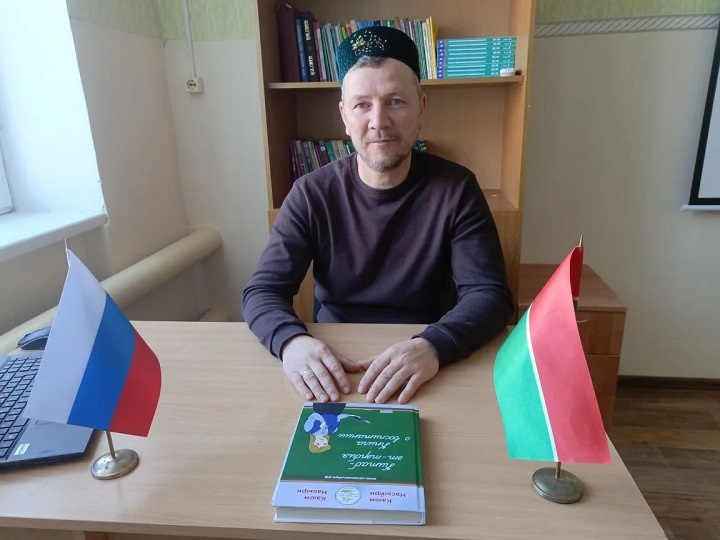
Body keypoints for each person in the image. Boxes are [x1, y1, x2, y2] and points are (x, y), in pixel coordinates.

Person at [242, 26, 513, 405]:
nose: (379, 121)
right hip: (336, 363)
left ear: (421, 108)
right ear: (344, 115)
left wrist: (433, 345)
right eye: (362, 105)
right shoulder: (311, 193)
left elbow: (489, 295)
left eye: (396, 102)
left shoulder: (457, 189)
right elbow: (262, 291)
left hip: (427, 359)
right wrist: (291, 342)